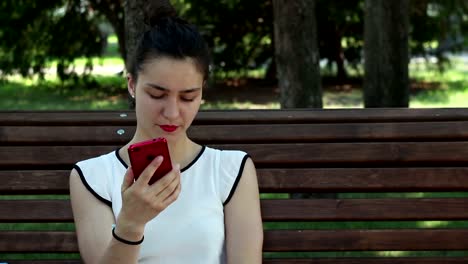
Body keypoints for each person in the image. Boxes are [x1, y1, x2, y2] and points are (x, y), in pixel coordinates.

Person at [69, 1, 263, 263]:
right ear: (132, 85)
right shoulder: (93, 177)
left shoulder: (230, 170)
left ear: (202, 91)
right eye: (157, 94)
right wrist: (131, 224)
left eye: (188, 97)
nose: (172, 113)